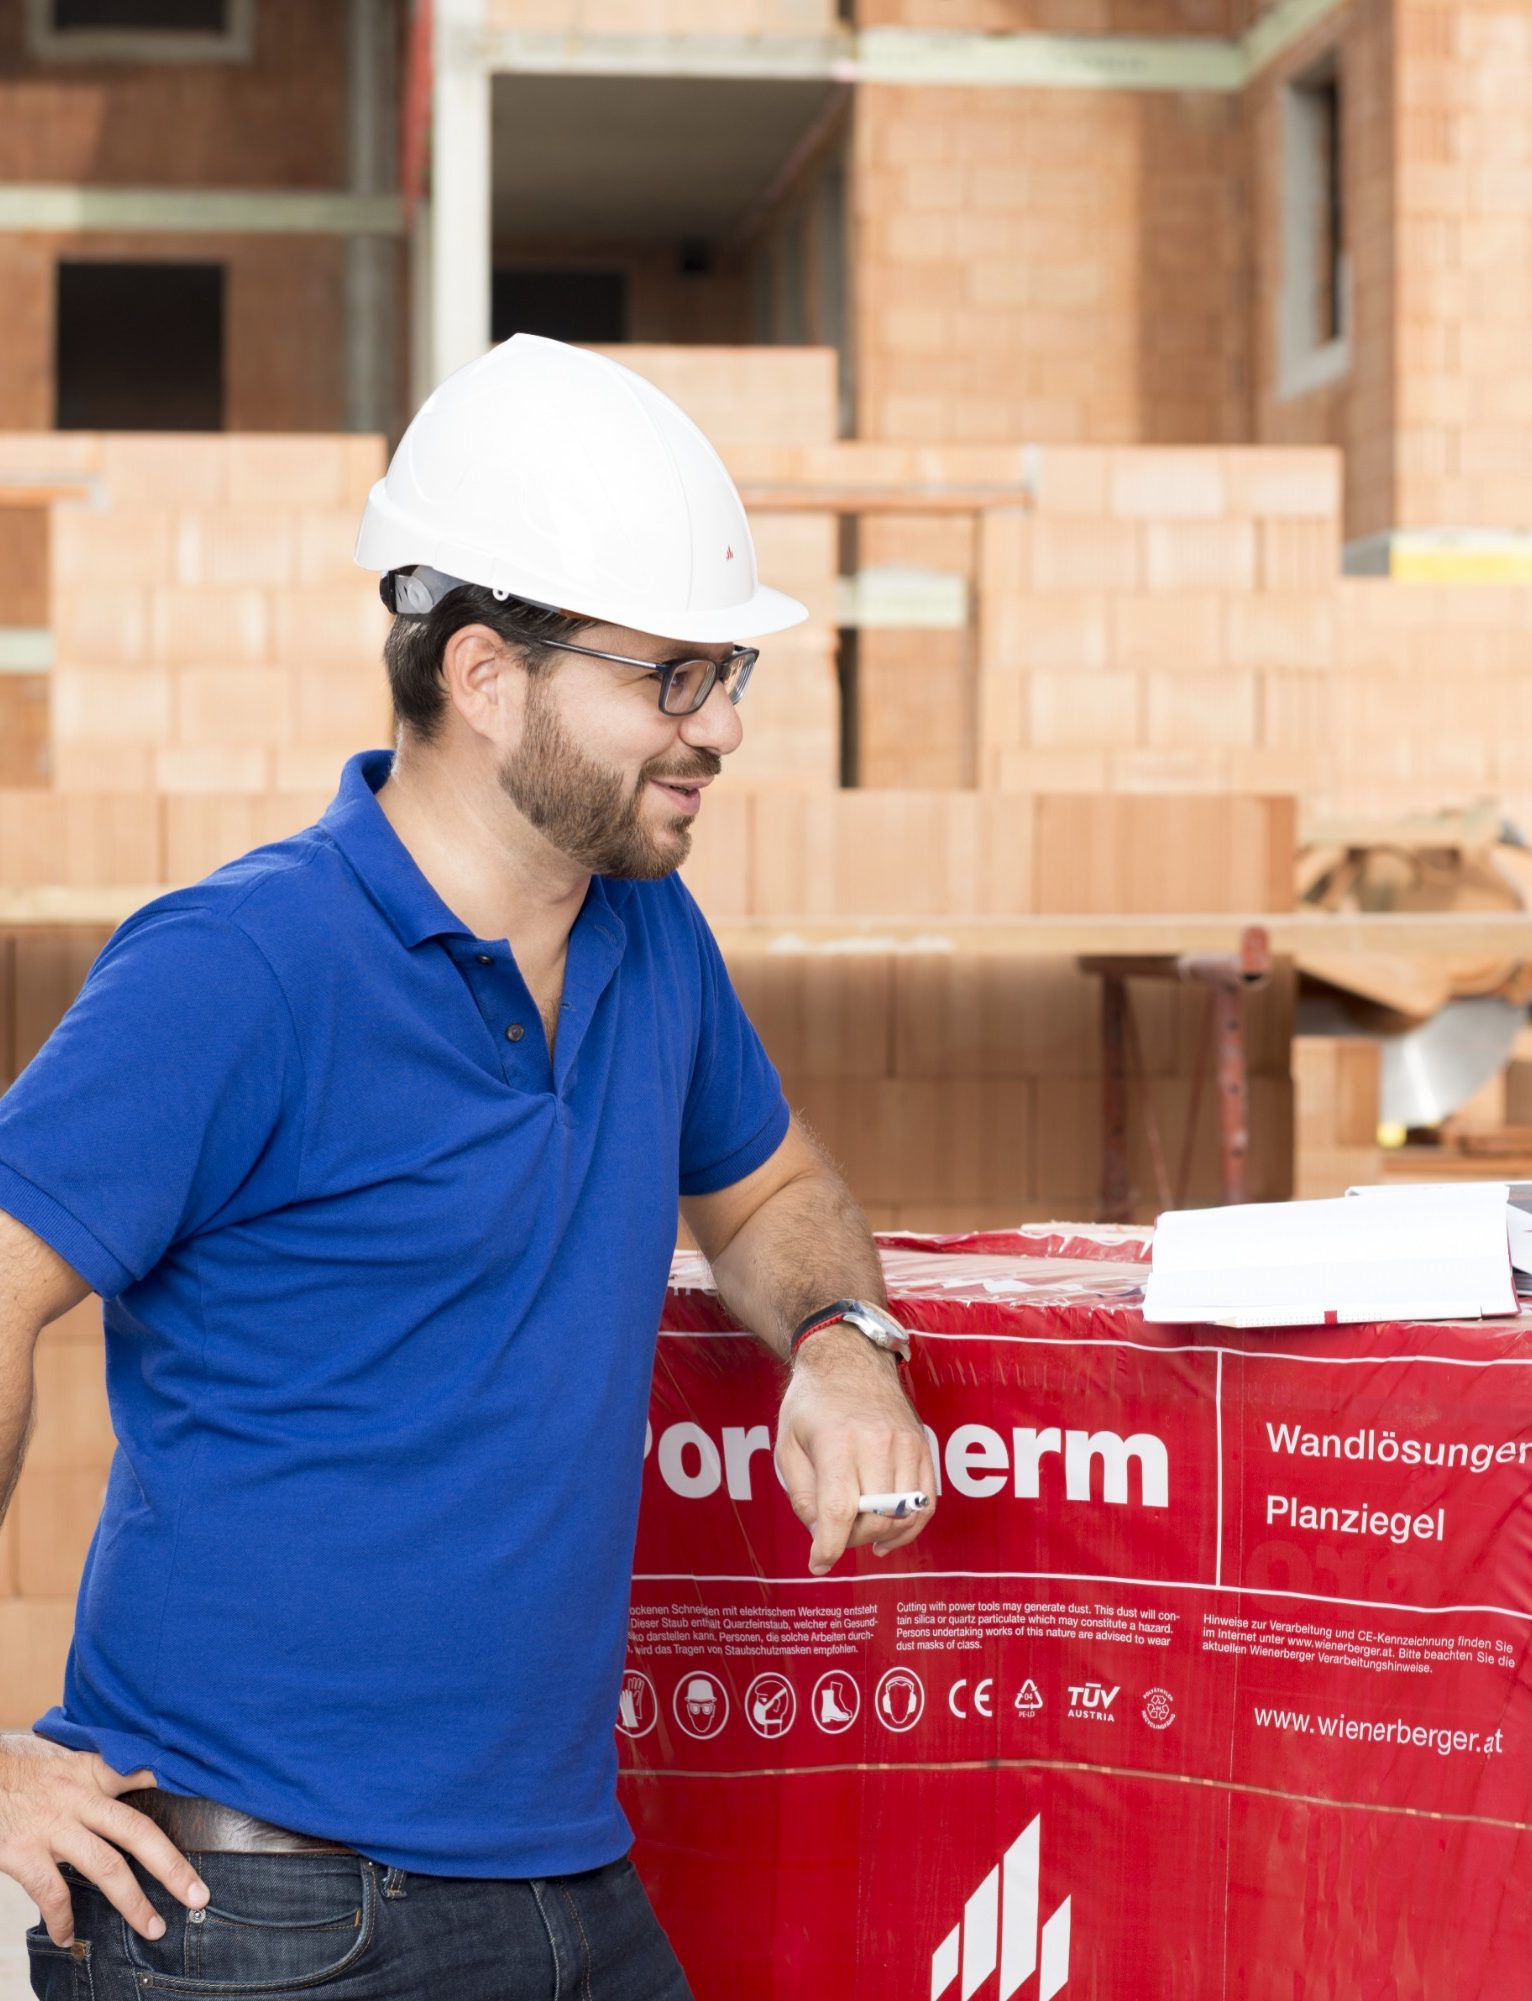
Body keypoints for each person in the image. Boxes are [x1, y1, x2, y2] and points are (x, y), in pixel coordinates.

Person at [0, 335, 936, 1999]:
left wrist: (845, 1347)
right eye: (674, 675)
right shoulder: (241, 966)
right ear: (490, 675)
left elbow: (771, 1190)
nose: (717, 726)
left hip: (567, 1885)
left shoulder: (653, 942)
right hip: (256, 1918)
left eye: (731, 675)